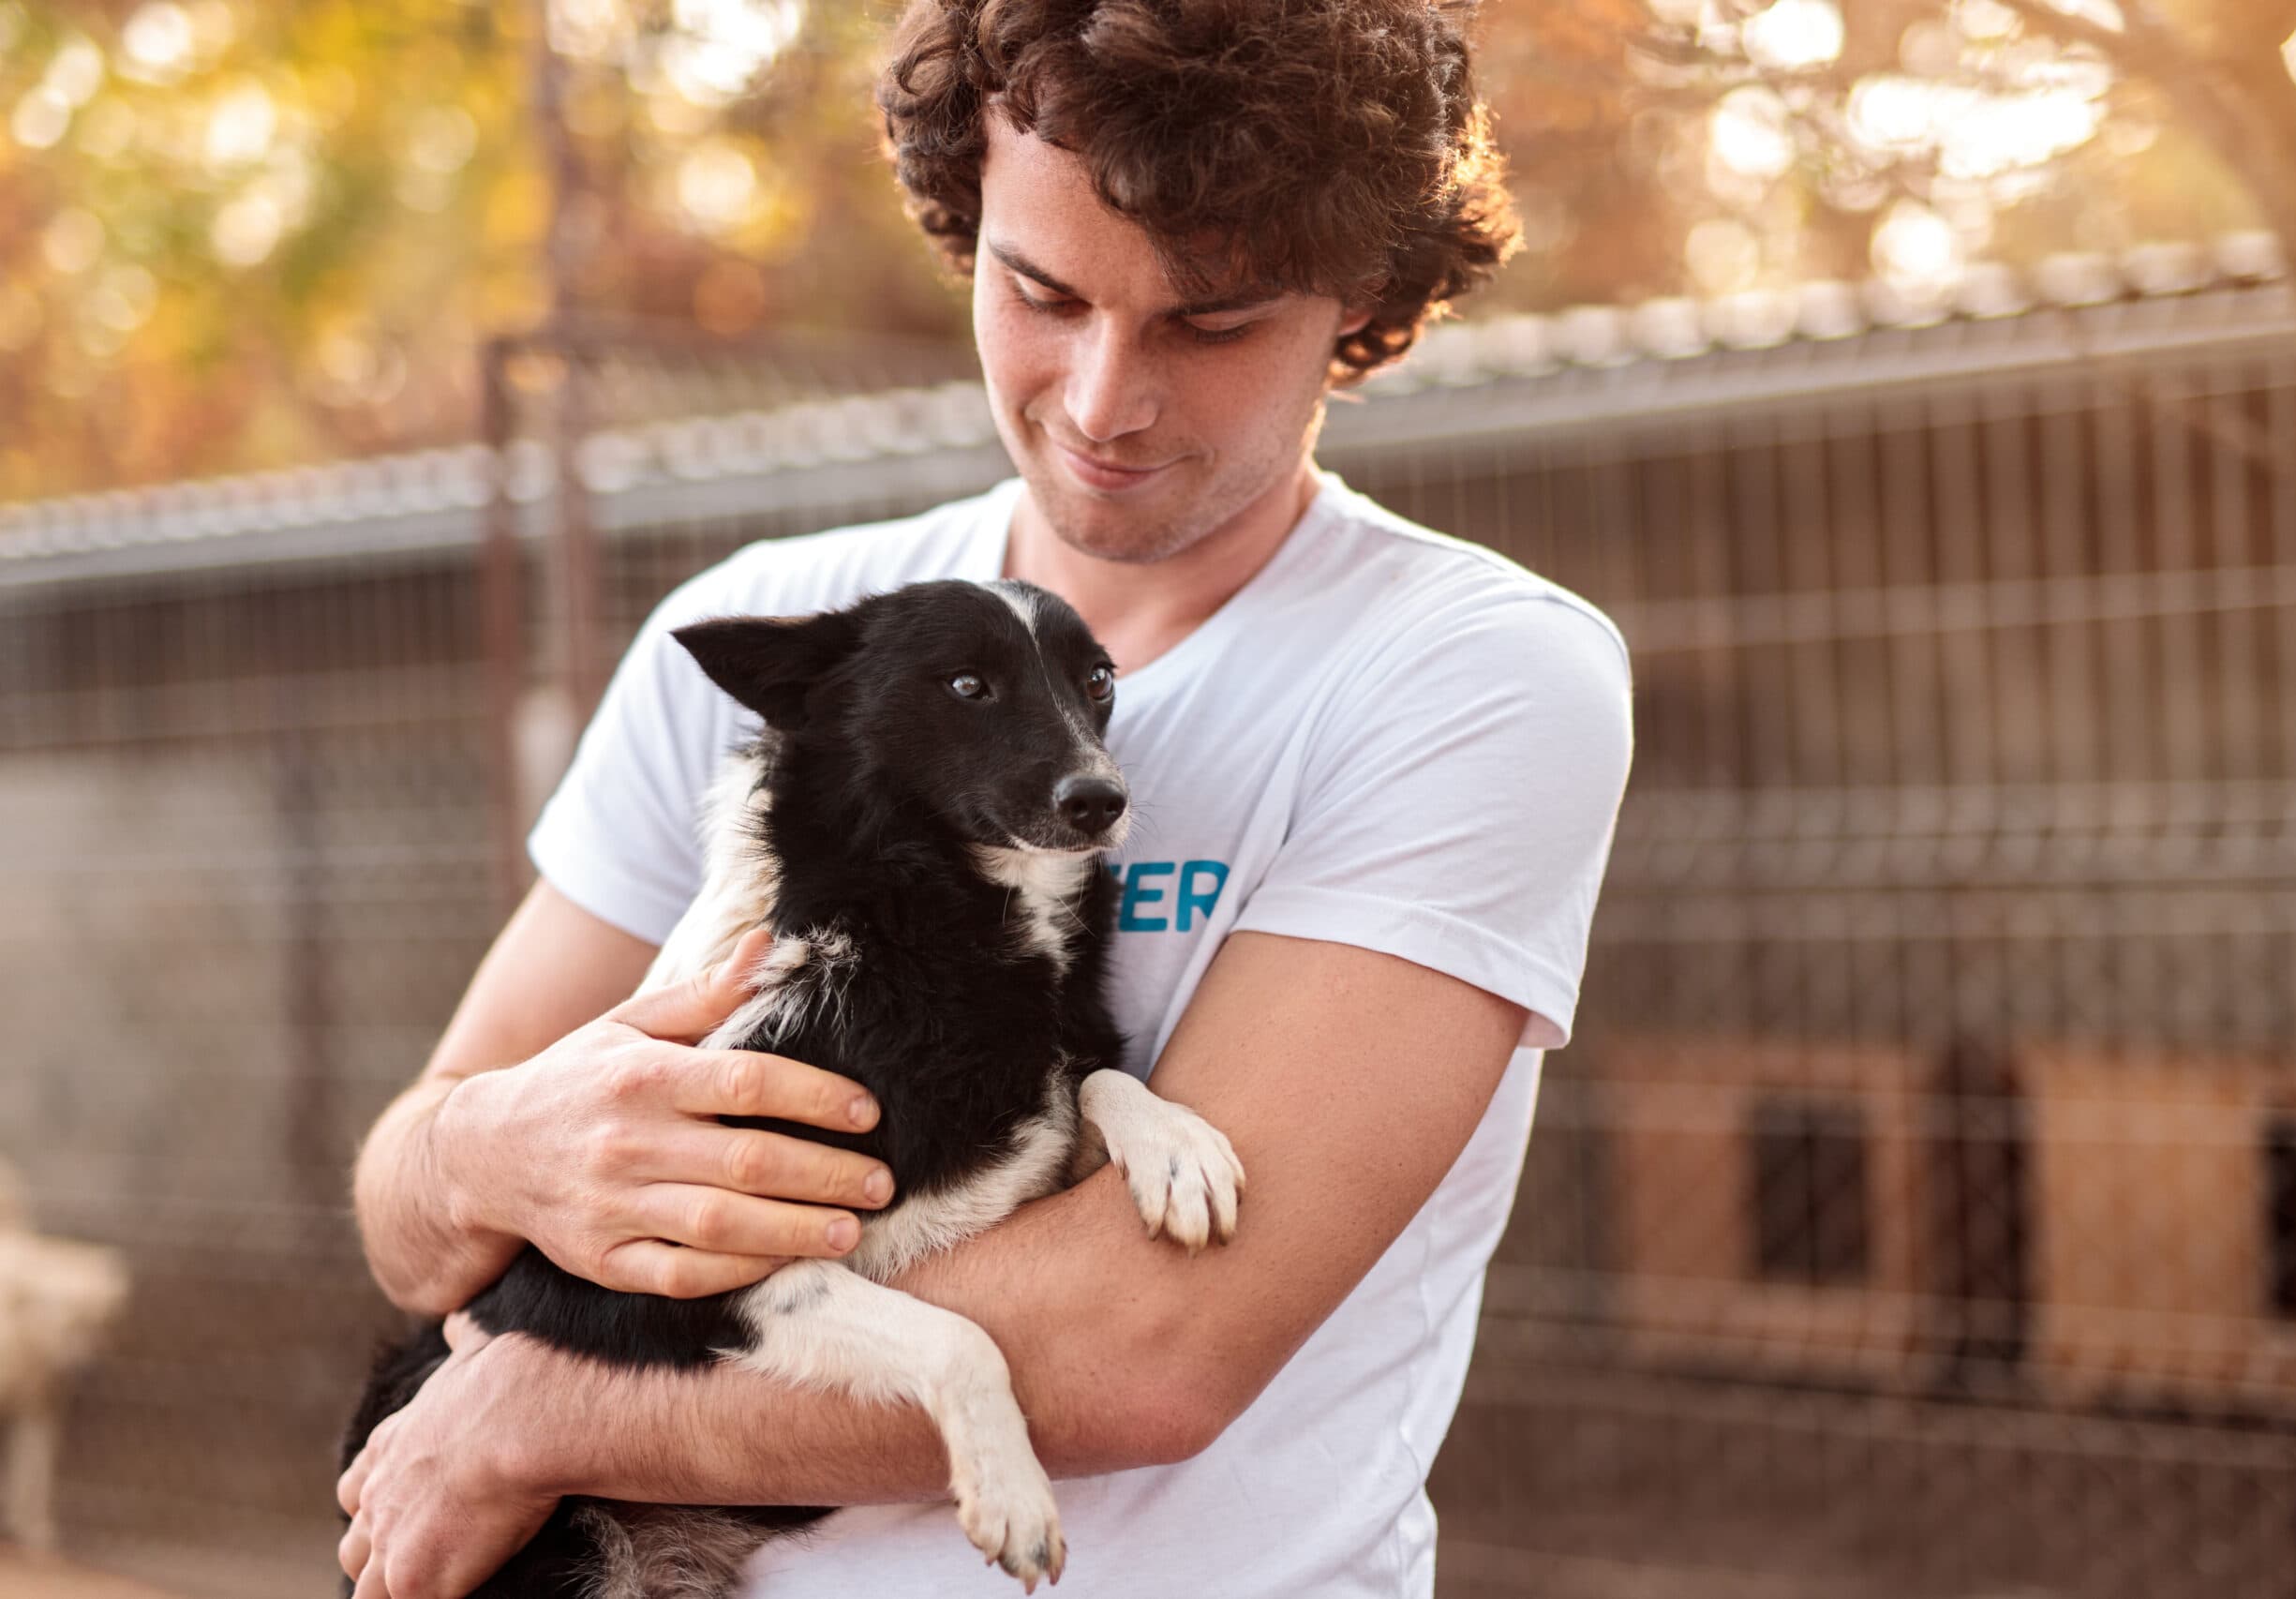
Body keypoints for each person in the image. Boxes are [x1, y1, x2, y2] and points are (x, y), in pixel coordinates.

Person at [336, 0, 1633, 1594]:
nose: (1101, 400)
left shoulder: (1465, 674)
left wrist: (537, 1407)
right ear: (965, 220)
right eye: (1042, 290)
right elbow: (415, 1209)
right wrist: (491, 1148)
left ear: (1359, 294)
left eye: (1209, 321)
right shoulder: (783, 634)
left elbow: (1152, 1343)